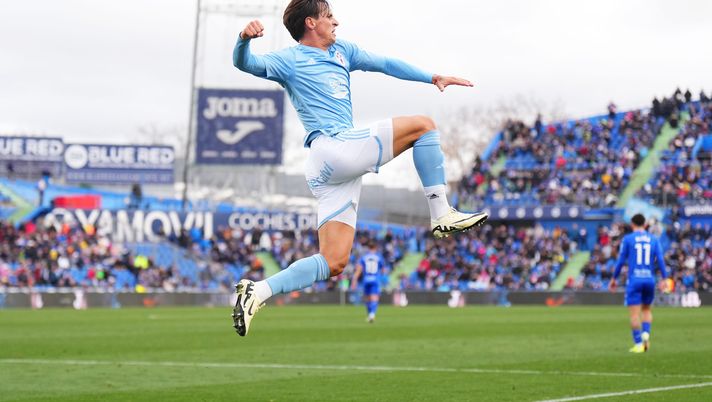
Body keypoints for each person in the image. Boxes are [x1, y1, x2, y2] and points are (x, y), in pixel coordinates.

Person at [230, 0, 487, 336]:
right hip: (334, 148)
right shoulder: (289, 59)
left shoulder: (343, 52)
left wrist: (432, 77)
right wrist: (243, 39)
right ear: (311, 23)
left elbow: (384, 63)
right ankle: (441, 213)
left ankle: (258, 291)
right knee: (424, 126)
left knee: (334, 262)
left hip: (330, 170)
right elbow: (245, 63)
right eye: (328, 16)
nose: (336, 21)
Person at [608, 214, 669, 353]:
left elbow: (621, 260)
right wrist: (665, 279)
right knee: (647, 310)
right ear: (645, 224)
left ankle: (638, 344)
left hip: (635, 279)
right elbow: (660, 259)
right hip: (649, 279)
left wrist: (614, 278)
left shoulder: (628, 239)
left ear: (632, 224)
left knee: (634, 315)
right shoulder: (654, 239)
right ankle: (646, 334)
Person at [351, 241, 385, 323]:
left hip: (366, 279)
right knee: (374, 298)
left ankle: (369, 314)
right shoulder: (379, 257)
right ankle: (372, 314)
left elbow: (359, 270)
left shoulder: (364, 258)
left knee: (367, 298)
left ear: (368, 248)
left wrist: (354, 280)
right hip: (375, 279)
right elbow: (383, 270)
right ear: (375, 248)